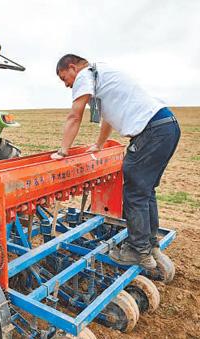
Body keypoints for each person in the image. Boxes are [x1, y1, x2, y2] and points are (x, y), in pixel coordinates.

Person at [53, 54, 180, 270]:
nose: (67, 85)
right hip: (168, 126)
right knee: (146, 190)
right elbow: (108, 117)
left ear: (73, 68)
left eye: (65, 78)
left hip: (152, 132)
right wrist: (99, 145)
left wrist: (63, 152)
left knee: (135, 190)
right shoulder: (101, 73)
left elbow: (75, 116)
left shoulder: (85, 75)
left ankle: (137, 250)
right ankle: (149, 244)